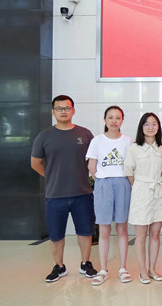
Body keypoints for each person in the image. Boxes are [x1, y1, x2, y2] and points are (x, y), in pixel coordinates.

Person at [31, 95, 98, 282]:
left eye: (67, 108)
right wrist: (52, 176)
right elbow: (35, 163)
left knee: (85, 231)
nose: (63, 111)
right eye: (59, 108)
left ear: (73, 111)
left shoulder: (85, 134)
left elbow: (94, 159)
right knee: (56, 234)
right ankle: (59, 266)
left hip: (82, 193)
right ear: (53, 112)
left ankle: (85, 263)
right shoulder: (44, 136)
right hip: (55, 195)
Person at [86, 106, 133, 285]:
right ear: (105, 120)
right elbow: (92, 166)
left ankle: (123, 268)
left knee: (122, 228)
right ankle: (103, 269)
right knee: (104, 229)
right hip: (103, 184)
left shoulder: (128, 141)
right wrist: (101, 180)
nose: (114, 121)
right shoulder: (97, 140)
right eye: (110, 117)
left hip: (123, 184)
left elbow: (132, 165)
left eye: (117, 118)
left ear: (122, 120)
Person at [124, 113, 162, 284]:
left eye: (154, 124)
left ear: (158, 127)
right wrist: (141, 186)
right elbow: (129, 173)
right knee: (141, 236)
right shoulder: (134, 148)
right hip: (141, 192)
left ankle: (152, 269)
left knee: (156, 233)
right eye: (147, 124)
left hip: (158, 192)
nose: (150, 127)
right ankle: (143, 271)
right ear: (141, 127)